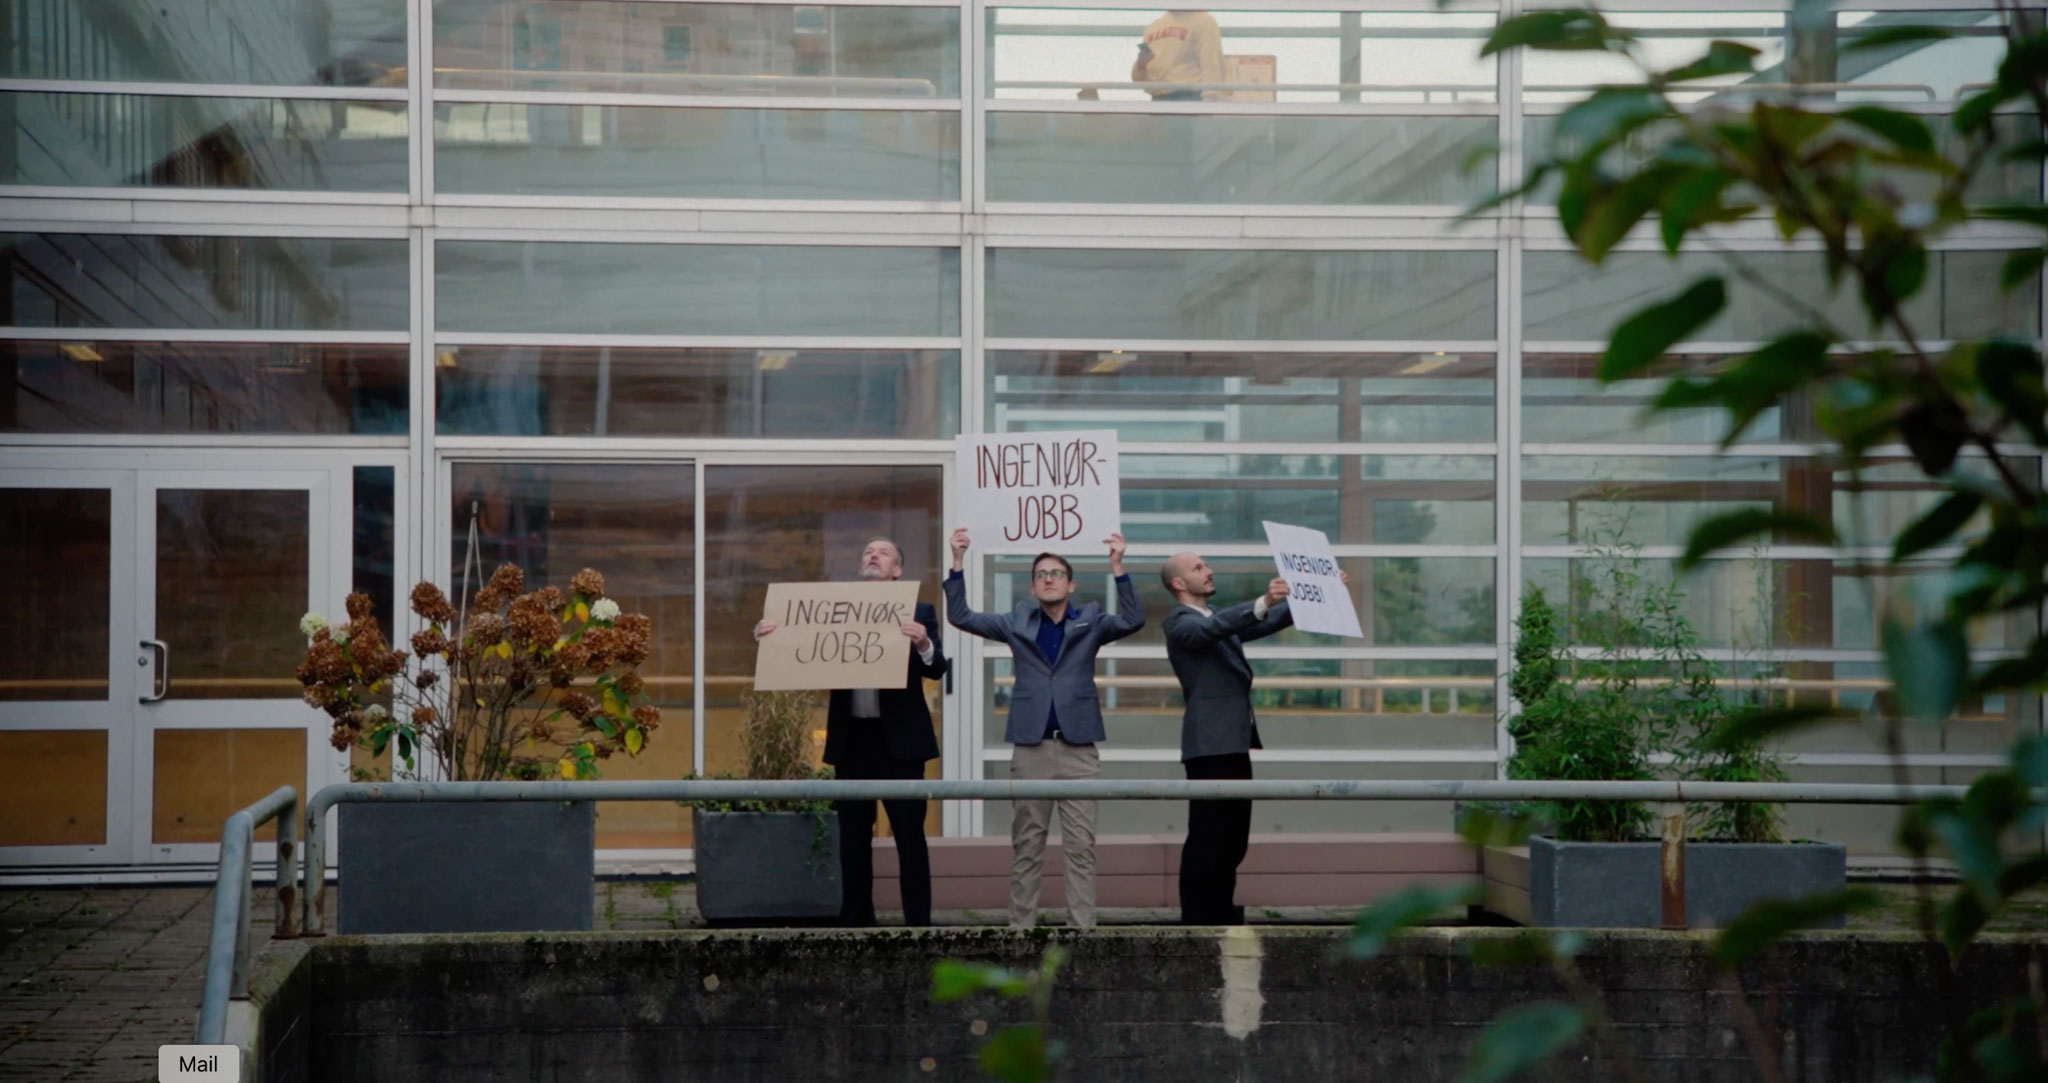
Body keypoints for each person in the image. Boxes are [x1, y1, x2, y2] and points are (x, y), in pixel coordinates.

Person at [943, 528, 1144, 929]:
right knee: (1028, 845)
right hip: (1031, 747)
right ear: (1033, 588)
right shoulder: (1017, 621)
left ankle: (1083, 930)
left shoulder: (1090, 619)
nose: (1048, 578)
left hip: (1078, 749)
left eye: (1055, 573)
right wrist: (958, 561)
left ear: (1070, 584)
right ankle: (1020, 930)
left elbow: (1133, 619)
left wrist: (1118, 568)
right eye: (1040, 574)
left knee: (1081, 846)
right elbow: (960, 616)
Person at [752, 537, 946, 927]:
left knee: (910, 837)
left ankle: (918, 926)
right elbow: (797, 647)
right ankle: (856, 922)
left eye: (883, 552)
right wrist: (769, 637)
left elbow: (936, 667)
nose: (872, 555)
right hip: (851, 740)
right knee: (852, 840)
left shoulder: (919, 610)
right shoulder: (834, 610)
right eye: (867, 552)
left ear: (897, 571)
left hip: (901, 745)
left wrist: (923, 642)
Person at [1159, 553, 1339, 925]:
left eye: (1207, 564)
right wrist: (1262, 600)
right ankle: (1199, 918)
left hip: (1233, 742)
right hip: (1209, 746)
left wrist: (1316, 590)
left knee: (1233, 837)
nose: (1209, 571)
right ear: (1178, 584)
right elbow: (1216, 629)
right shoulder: (1179, 623)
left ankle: (1221, 912)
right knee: (1208, 835)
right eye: (1198, 568)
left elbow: (1267, 621)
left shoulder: (1215, 619)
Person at [1134, 10, 1226, 101]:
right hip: (1157, 99)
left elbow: (1211, 63)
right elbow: (1138, 79)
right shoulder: (1153, 27)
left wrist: (1210, 99)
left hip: (1190, 96)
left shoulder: (1202, 20)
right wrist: (1140, 66)